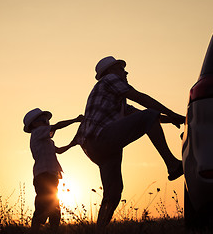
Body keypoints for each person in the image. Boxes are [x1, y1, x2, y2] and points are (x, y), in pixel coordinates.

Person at [76, 56, 185, 232]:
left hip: (94, 147)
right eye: (121, 68)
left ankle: (99, 229)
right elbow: (142, 101)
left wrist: (174, 118)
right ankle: (172, 165)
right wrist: (171, 113)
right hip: (101, 138)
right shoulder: (109, 80)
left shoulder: (116, 100)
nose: (126, 72)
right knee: (149, 115)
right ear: (111, 71)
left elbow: (147, 117)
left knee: (114, 191)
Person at [23, 108, 83, 234]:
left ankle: (51, 230)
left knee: (54, 207)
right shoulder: (37, 132)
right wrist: (75, 120)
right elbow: (58, 126)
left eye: (46, 120)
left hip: (51, 175)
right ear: (34, 124)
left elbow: (59, 150)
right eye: (43, 120)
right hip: (43, 176)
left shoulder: (46, 140)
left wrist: (73, 143)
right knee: (44, 206)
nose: (47, 122)